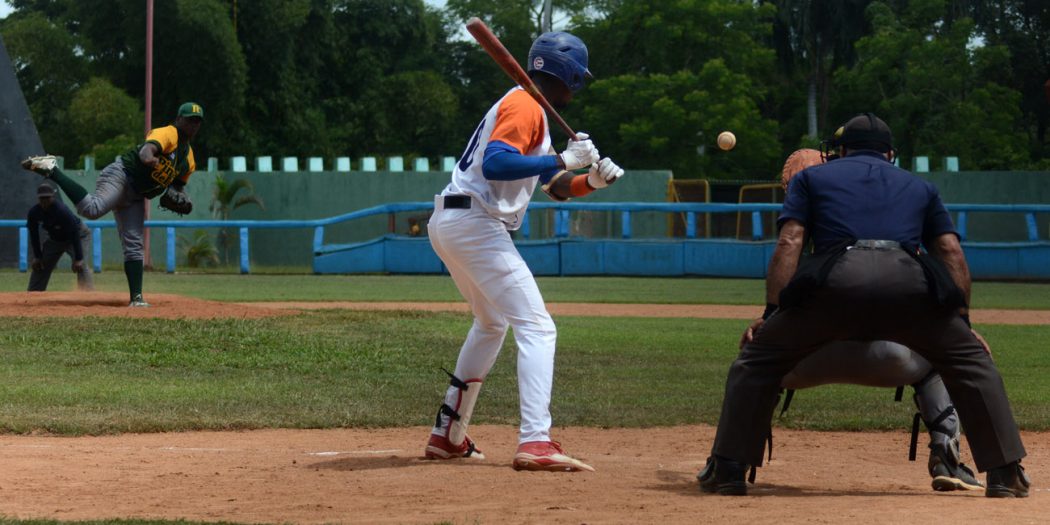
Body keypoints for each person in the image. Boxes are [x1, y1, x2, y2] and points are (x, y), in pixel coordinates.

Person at [699, 113, 1029, 498]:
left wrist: (771, 316)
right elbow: (951, 251)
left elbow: (790, 242)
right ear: (889, 153)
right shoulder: (920, 186)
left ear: (841, 151)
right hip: (909, 285)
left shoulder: (812, 178)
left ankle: (729, 469)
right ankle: (1004, 473)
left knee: (755, 360)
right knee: (973, 362)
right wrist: (963, 323)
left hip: (835, 282)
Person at [423, 31, 623, 472]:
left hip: (457, 222)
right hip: (475, 223)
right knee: (537, 326)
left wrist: (592, 180)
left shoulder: (532, 111)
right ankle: (535, 440)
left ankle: (448, 434)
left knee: (492, 322)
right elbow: (497, 162)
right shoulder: (525, 104)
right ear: (569, 73)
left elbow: (555, 188)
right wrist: (563, 160)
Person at [766, 148, 981, 492]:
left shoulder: (800, 240)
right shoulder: (899, 221)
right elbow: (942, 274)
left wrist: (764, 322)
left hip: (804, 363)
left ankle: (731, 458)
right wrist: (963, 328)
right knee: (942, 355)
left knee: (758, 355)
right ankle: (947, 458)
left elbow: (789, 251)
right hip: (893, 359)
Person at [21, 102, 202, 307]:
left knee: (134, 246)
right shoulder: (168, 133)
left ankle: (136, 299)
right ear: (179, 119)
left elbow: (178, 186)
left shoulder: (189, 159)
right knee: (92, 209)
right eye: (189, 120)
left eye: (197, 122)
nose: (193, 125)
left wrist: (182, 197)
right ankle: (51, 169)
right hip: (121, 175)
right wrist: (152, 160)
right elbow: (145, 152)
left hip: (136, 195)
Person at [26, 182, 94, 292]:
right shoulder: (34, 212)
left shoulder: (61, 211)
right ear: (38, 198)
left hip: (78, 236)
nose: (45, 201)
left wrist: (78, 258)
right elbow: (34, 235)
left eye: (47, 197)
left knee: (81, 266)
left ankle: (88, 295)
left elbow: (74, 233)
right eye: (42, 198)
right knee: (40, 264)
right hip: (55, 240)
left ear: (53, 197)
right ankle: (33, 295)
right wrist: (38, 256)